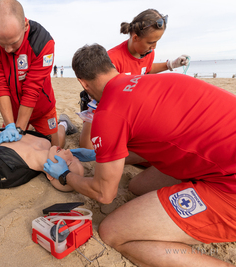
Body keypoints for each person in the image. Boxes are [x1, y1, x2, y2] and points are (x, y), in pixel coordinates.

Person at [44, 44, 236, 266]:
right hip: (221, 157)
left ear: (83, 83)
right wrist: (99, 155)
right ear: (110, 67)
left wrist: (66, 175)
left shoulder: (108, 113)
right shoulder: (149, 81)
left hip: (229, 186)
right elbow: (157, 139)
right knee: (137, 186)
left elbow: (104, 194)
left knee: (112, 232)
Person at [79, 9, 189, 150]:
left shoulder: (148, 52)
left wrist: (170, 64)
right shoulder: (112, 59)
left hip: (130, 105)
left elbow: (146, 69)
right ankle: (65, 124)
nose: (154, 46)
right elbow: (102, 92)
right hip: (104, 103)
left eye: (156, 42)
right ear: (135, 37)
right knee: (88, 148)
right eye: (151, 42)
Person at [0, 0, 77, 149]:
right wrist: (12, 125)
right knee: (11, 148)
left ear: (25, 26)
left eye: (14, 42)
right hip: (12, 109)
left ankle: (63, 124)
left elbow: (32, 90)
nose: (7, 50)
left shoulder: (43, 42)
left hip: (42, 107)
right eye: (1, 42)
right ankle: (24, 127)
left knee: (53, 148)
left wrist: (19, 130)